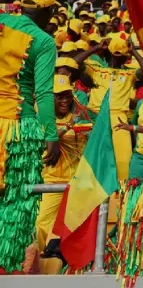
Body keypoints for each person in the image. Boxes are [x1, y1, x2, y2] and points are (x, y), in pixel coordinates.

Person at [0, 0, 61, 273]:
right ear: (48, 11)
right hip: (17, 129)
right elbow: (44, 93)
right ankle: (6, 268)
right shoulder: (44, 41)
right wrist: (51, 135)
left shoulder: (2, 23)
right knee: (16, 203)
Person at [73, 37, 143, 180]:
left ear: (125, 57)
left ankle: (121, 190)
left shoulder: (130, 73)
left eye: (120, 56)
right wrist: (96, 48)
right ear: (108, 53)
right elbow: (74, 62)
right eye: (114, 55)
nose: (116, 59)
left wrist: (134, 52)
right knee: (92, 157)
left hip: (118, 118)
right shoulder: (96, 69)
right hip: (95, 116)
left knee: (123, 160)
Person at [35, 76, 91, 251]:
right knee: (41, 224)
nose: (65, 100)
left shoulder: (81, 118)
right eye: (59, 96)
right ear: (49, 98)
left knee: (75, 229)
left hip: (76, 183)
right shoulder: (42, 119)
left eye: (67, 95)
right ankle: (39, 258)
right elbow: (46, 142)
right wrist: (68, 126)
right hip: (51, 182)